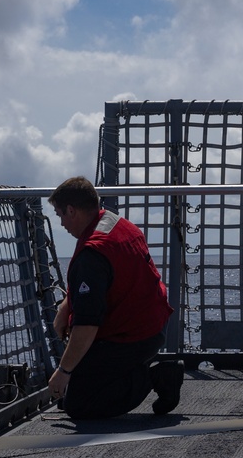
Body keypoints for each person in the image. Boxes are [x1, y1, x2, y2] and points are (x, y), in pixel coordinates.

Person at [46, 176, 184, 419]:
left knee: (79, 405)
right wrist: (66, 308)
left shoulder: (91, 255)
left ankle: (156, 377)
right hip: (152, 324)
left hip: (132, 337)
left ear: (71, 210)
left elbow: (87, 326)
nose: (62, 224)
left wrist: (63, 371)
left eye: (60, 215)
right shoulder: (113, 223)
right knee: (77, 387)